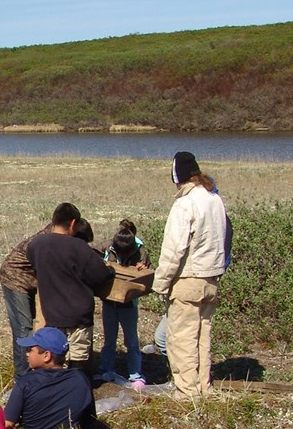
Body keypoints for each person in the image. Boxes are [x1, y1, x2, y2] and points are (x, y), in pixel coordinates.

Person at [151, 152, 230, 400]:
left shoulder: (185, 204)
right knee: (202, 337)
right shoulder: (214, 198)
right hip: (211, 279)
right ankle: (204, 387)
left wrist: (161, 283)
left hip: (188, 280)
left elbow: (174, 249)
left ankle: (187, 392)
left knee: (182, 338)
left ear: (178, 178)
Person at [0, 210, 96, 379]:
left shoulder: (59, 235)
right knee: (24, 329)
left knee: (32, 328)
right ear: (73, 227)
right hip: (16, 279)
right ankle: (24, 377)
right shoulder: (50, 241)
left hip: (31, 279)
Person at [25, 203, 115, 378]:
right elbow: (100, 275)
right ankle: (80, 393)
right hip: (78, 316)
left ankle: (57, 394)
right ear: (73, 223)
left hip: (52, 315)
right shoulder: (78, 247)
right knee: (79, 360)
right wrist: (111, 270)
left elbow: (33, 263)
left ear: (54, 221)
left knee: (56, 360)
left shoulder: (36, 245)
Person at [4, 327, 101, 429]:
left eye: (30, 350)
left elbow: (7, 424)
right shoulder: (81, 379)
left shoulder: (26, 383)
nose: (26, 353)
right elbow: (89, 420)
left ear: (46, 356)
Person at [97, 220, 149, 387]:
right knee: (109, 338)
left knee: (131, 340)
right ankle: (107, 368)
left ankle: (135, 374)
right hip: (109, 301)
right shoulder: (108, 246)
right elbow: (90, 252)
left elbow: (148, 273)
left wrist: (143, 267)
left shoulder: (140, 251)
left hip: (128, 304)